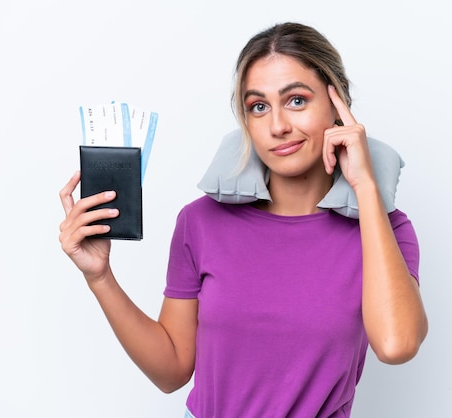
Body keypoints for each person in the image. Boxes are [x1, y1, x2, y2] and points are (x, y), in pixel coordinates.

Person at [59, 22, 428, 418]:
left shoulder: (384, 229)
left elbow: (396, 344)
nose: (278, 126)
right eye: (259, 106)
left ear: (339, 107)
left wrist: (366, 187)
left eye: (297, 100)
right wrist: (100, 276)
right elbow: (172, 371)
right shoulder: (200, 222)